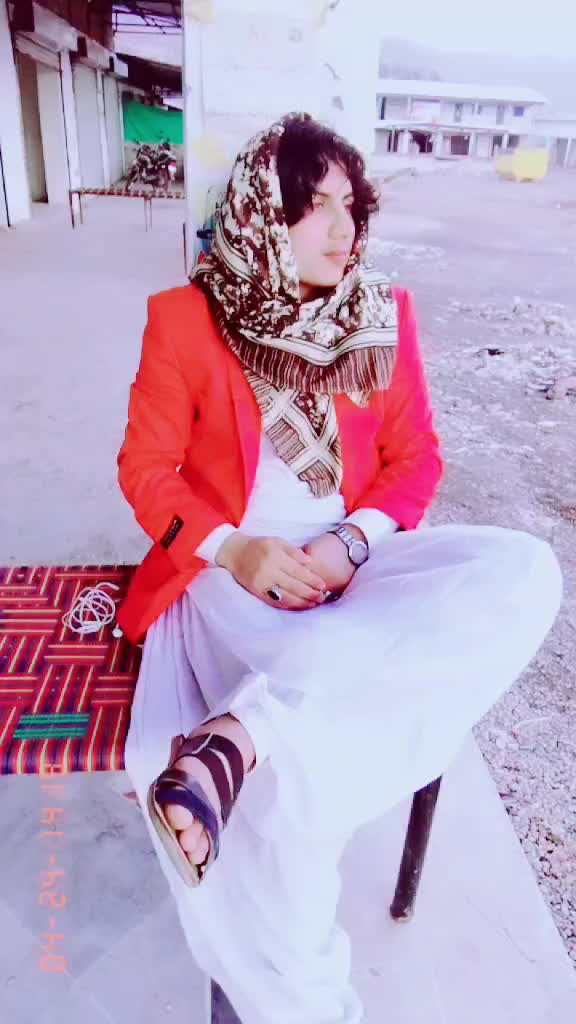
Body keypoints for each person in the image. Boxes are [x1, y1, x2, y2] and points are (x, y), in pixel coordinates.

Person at [117, 112, 562, 1024]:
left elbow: (417, 459)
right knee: (301, 799)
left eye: (351, 206)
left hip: (355, 555)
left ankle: (242, 738)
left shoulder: (380, 316)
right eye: (312, 206)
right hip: (231, 571)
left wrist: (352, 542)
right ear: (260, 213)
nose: (341, 228)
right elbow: (146, 470)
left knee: (524, 570)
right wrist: (237, 549)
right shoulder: (187, 320)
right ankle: (303, 999)